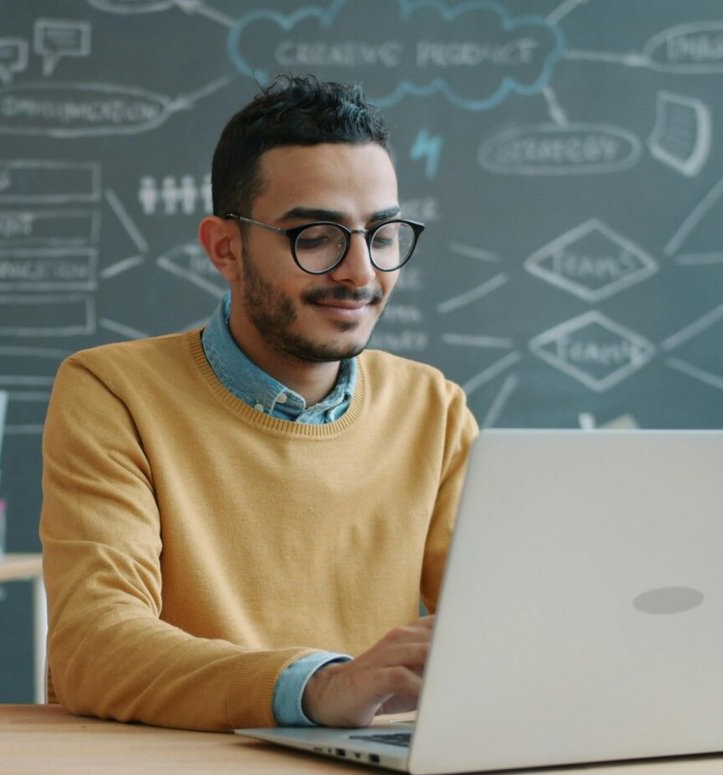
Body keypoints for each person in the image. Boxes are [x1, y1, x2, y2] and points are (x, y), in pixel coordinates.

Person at [40, 75, 479, 732]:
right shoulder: (113, 393)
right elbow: (94, 648)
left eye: (382, 234)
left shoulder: (433, 409)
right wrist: (317, 687)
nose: (361, 272)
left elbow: (497, 626)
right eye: (317, 236)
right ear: (225, 248)